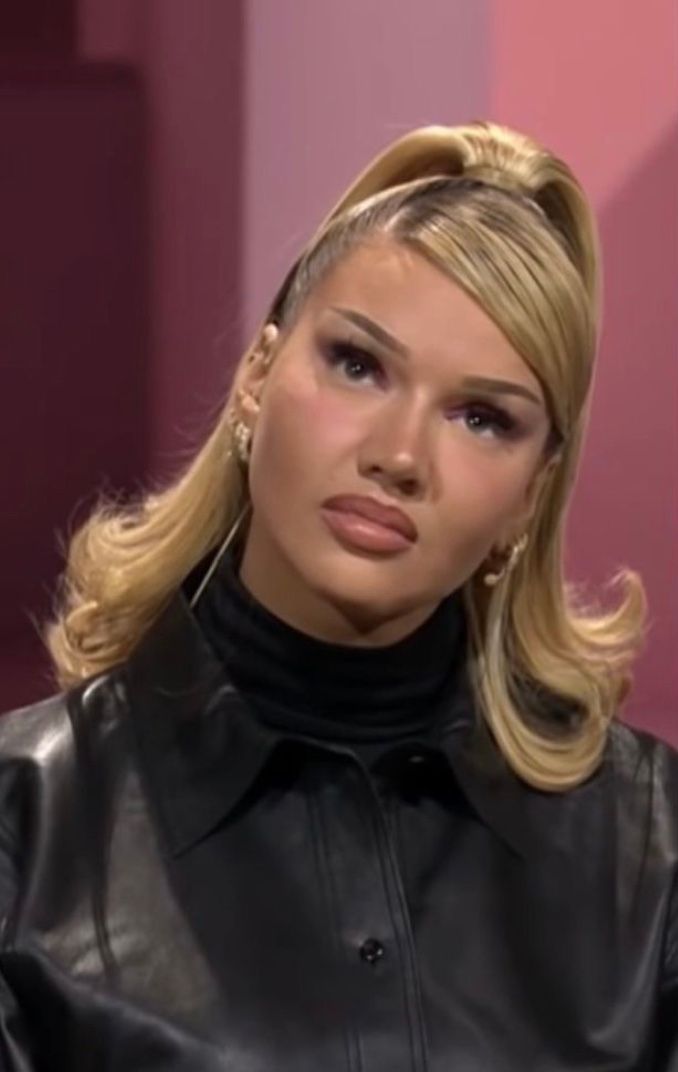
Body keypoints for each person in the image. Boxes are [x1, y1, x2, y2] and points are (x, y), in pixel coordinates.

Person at [0, 119, 674, 1071]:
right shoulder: (26, 830)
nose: (399, 455)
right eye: (359, 365)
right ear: (257, 376)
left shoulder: (653, 853)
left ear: (531, 493)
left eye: (481, 418)